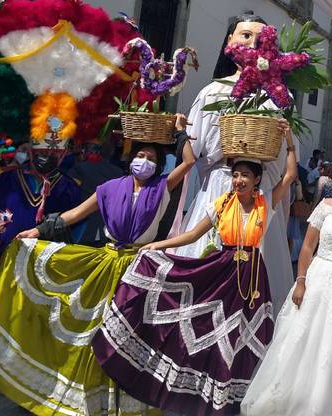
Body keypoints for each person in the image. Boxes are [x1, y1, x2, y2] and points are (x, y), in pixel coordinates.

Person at [0, 115, 195, 416]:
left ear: (159, 164)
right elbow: (73, 215)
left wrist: (180, 132)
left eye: (151, 157)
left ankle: (123, 405)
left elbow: (190, 161)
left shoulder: (163, 187)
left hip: (140, 268)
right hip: (106, 263)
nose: (144, 161)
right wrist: (37, 232)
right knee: (91, 331)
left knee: (129, 338)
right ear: (131, 158)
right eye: (140, 155)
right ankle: (82, 400)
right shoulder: (109, 188)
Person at [92, 121, 298, 416]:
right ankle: (205, 397)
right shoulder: (221, 205)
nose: (238, 180)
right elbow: (192, 235)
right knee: (214, 332)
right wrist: (158, 247)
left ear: (256, 181)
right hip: (221, 270)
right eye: (236, 175)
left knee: (245, 337)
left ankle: (235, 400)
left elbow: (290, 174)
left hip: (252, 278)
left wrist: (288, 139)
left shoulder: (266, 203)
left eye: (245, 176)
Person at [242, 157, 332, 415]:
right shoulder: (327, 206)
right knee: (308, 339)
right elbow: (308, 247)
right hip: (321, 278)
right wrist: (301, 281)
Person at [176, 11, 295, 314]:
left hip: (259, 192)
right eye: (245, 35)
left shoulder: (278, 96)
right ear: (229, 42)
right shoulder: (212, 91)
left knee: (254, 280)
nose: (252, 42)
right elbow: (194, 152)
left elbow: (282, 162)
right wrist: (182, 133)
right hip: (219, 185)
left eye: (259, 37)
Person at [0, 132, 85, 416]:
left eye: (54, 151)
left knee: (35, 333)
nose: (46, 155)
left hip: (43, 274)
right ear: (29, 149)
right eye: (41, 148)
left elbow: (78, 228)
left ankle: (27, 398)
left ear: (64, 154)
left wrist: (62, 258)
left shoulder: (68, 189)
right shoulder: (5, 180)